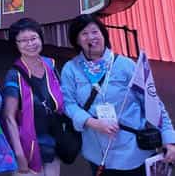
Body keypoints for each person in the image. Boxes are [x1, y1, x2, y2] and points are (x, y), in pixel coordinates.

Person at [61, 14, 175, 176]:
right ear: (77, 40)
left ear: (103, 35)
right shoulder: (71, 69)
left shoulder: (125, 65)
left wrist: (169, 139)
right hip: (97, 153)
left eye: (95, 32)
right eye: (84, 34)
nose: (91, 37)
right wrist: (92, 122)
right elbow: (68, 103)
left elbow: (152, 102)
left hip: (132, 150)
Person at [2, 18, 64, 176]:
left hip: (52, 146)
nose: (30, 44)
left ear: (40, 39)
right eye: (23, 40)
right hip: (26, 148)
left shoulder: (50, 65)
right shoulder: (14, 74)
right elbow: (9, 117)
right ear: (16, 44)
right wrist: (19, 154)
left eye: (33, 38)